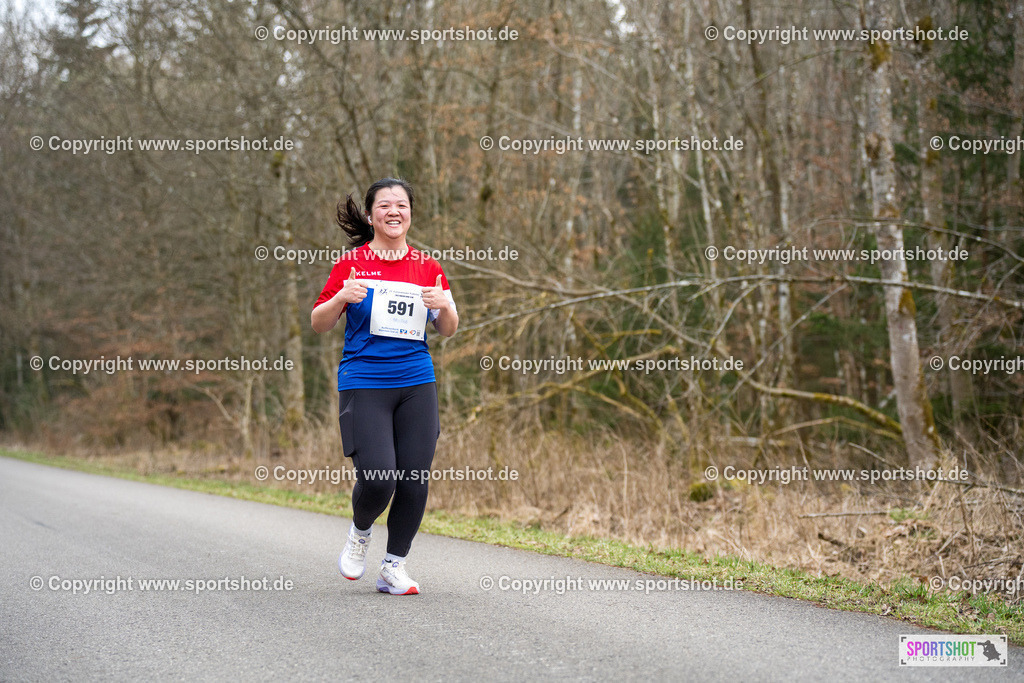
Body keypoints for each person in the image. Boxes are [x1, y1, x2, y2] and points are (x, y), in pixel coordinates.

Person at [311, 178, 458, 595]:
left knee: (414, 478)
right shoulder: (351, 264)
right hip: (365, 381)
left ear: (410, 213)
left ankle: (394, 566)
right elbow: (318, 323)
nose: (394, 211)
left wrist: (446, 305)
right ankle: (359, 534)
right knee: (379, 478)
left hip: (416, 381)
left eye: (402, 205)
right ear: (372, 215)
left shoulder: (427, 267)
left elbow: (447, 329)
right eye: (385, 205)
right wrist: (341, 296)